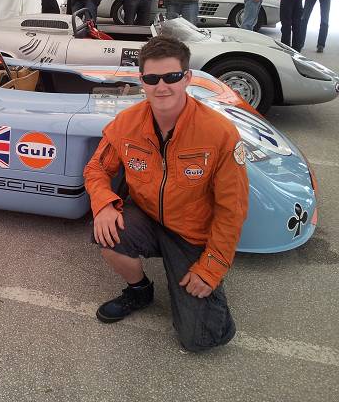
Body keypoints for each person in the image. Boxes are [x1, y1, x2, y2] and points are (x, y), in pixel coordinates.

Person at [83, 35, 249, 352]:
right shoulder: (126, 123)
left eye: (171, 77)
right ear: (142, 81)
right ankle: (139, 290)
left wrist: (211, 267)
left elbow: (233, 208)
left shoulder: (219, 133)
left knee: (200, 340)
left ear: (187, 78)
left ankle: (198, 288)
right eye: (152, 78)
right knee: (107, 234)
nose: (162, 86)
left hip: (191, 233)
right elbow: (96, 169)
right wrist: (103, 204)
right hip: (146, 216)